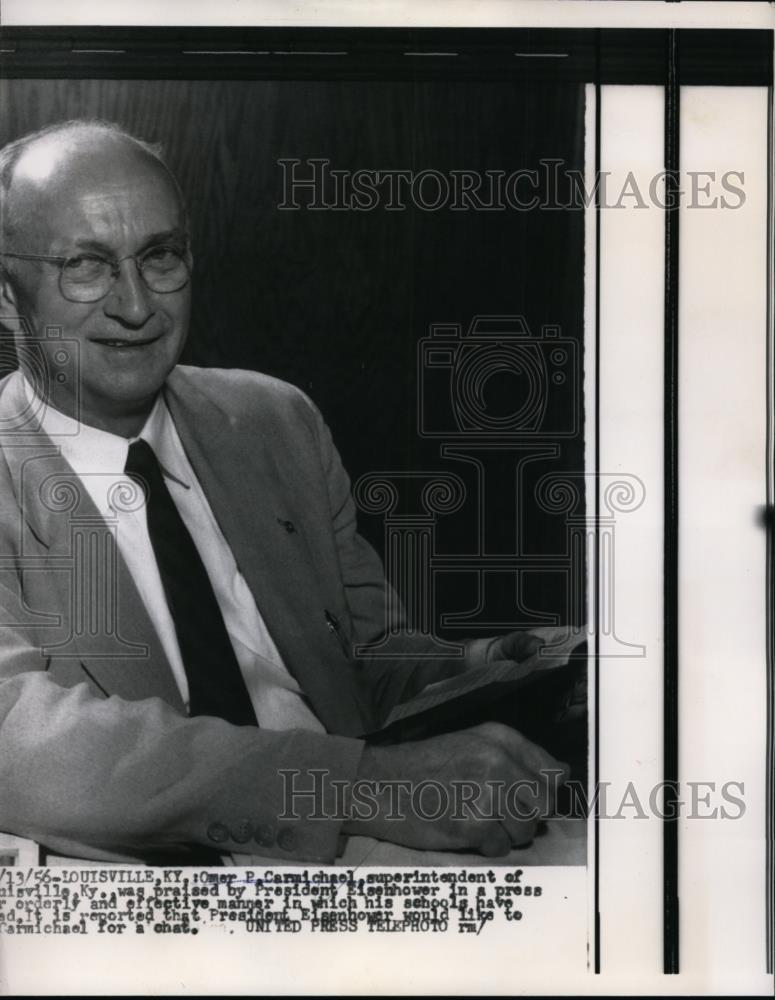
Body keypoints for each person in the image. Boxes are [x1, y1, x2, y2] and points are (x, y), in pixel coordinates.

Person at [0, 119, 567, 865]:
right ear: (8, 299)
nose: (136, 306)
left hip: (380, 853)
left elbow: (361, 668)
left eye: (161, 256)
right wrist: (357, 787)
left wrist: (489, 668)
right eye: (86, 265)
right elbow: (21, 745)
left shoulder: (274, 420)